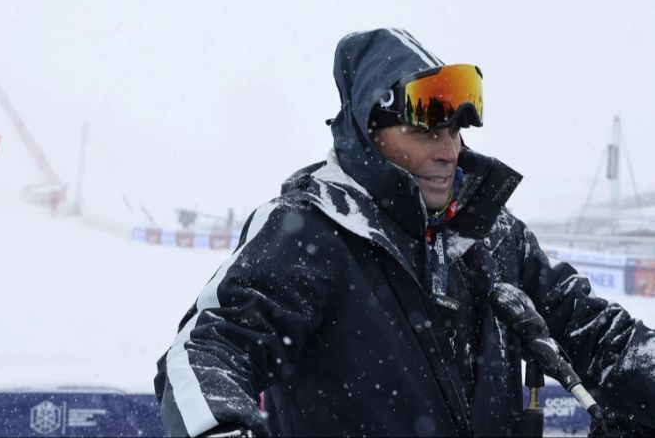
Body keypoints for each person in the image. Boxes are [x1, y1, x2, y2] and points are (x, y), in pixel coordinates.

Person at [154, 28, 655, 437]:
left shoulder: (494, 237)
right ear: (370, 135)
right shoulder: (312, 230)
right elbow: (208, 351)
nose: (449, 151)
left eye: (455, 132)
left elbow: (600, 337)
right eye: (426, 132)